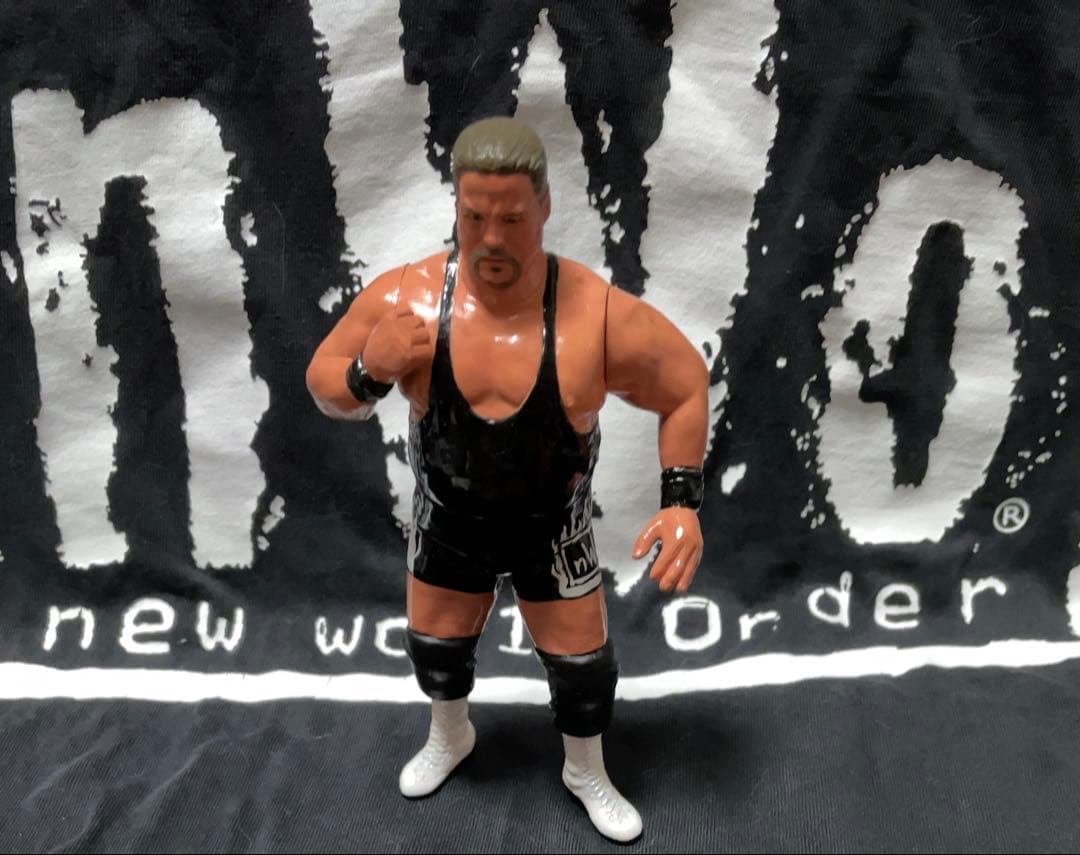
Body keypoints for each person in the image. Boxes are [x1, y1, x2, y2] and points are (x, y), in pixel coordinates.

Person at [306, 116, 708, 843]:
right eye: (474, 217)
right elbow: (323, 382)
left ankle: (585, 767)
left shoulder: (595, 314)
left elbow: (684, 385)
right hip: (448, 522)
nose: (491, 239)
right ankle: (450, 733)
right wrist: (370, 369)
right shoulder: (409, 301)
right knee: (435, 650)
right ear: (456, 208)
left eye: (512, 220)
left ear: (545, 207)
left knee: (583, 667)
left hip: (551, 528)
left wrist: (682, 502)